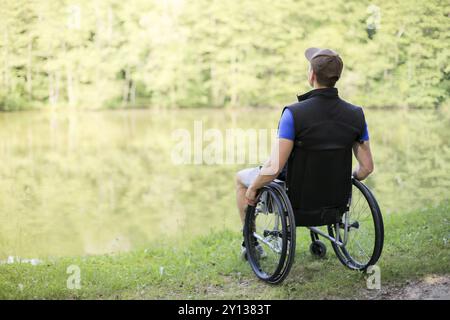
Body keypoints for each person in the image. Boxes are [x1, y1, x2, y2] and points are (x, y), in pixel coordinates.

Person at [235, 47, 374, 260]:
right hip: (334, 198)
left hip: (296, 197)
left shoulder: (294, 114)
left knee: (241, 179)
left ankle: (250, 243)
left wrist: (253, 188)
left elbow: (274, 168)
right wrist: (346, 179)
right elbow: (366, 168)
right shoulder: (356, 115)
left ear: (311, 75)